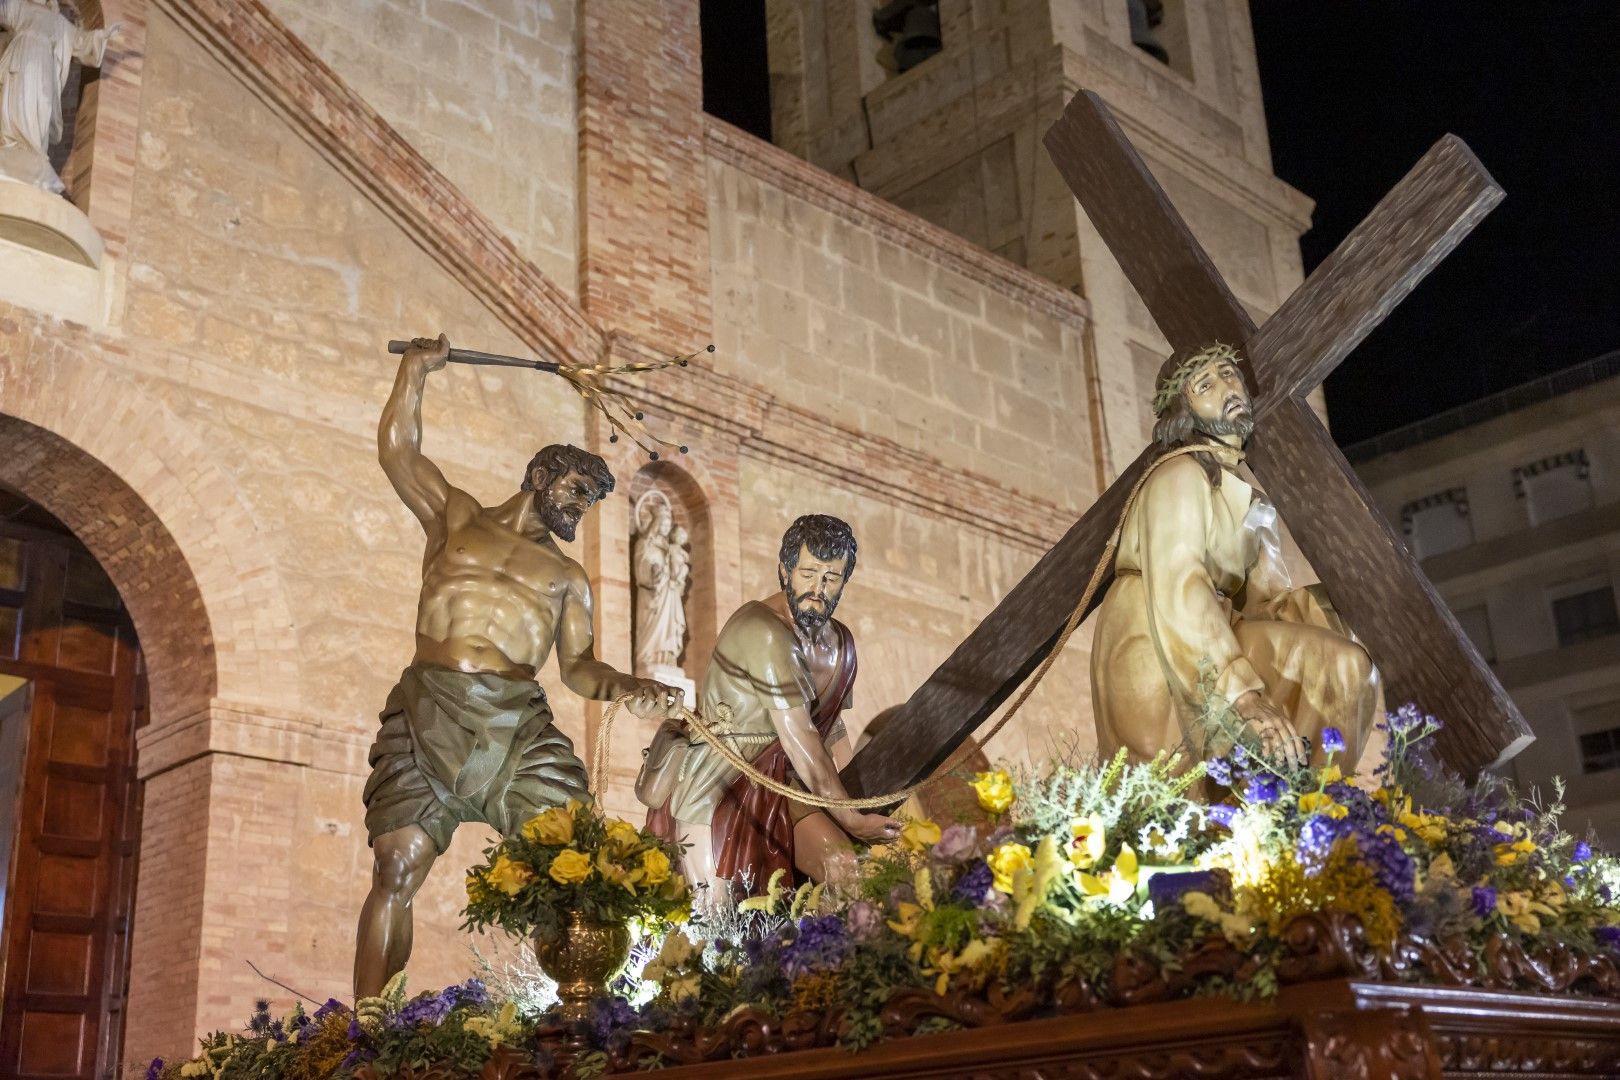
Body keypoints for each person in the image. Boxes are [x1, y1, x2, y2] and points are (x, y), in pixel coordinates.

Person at [354, 335, 682, 998]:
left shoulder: (568, 579)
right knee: (397, 863)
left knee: (576, 866)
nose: (580, 504)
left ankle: (584, 1012)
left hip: (517, 727)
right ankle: (368, 1035)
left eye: (590, 498)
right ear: (538, 476)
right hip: (430, 708)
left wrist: (626, 685)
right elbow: (398, 452)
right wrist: (415, 370)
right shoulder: (457, 517)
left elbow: (580, 667)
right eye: (576, 488)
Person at [1090, 343, 1384, 773]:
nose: (1226, 387)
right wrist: (1242, 694)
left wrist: (1349, 597)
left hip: (1223, 632)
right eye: (1204, 385)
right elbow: (1181, 584)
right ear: (1183, 411)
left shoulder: (1253, 504)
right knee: (1171, 784)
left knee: (1345, 668)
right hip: (1159, 631)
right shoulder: (1179, 476)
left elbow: (1269, 606)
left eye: (1229, 374)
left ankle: (1318, 814)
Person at [639, 515, 900, 897]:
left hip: (787, 784)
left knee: (845, 871)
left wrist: (855, 804)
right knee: (715, 912)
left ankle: (824, 952)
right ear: (784, 569)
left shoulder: (840, 644)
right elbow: (802, 739)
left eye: (831, 578)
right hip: (721, 781)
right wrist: (854, 820)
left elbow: (833, 731)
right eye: (808, 573)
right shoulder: (762, 630)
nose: (818, 588)